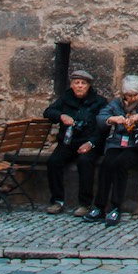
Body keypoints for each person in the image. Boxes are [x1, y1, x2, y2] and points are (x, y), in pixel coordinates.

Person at [83, 75, 138, 226]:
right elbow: (101, 117)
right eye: (129, 95)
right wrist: (112, 119)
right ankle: (99, 206)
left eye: (135, 95)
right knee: (107, 163)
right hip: (117, 143)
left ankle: (115, 206)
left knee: (120, 164)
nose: (133, 98)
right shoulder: (116, 104)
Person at [43, 69, 108, 216]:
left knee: (85, 162)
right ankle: (57, 200)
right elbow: (48, 112)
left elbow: (103, 128)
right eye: (76, 83)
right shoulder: (65, 99)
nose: (79, 86)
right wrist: (61, 116)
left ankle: (84, 203)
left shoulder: (100, 102)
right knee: (54, 161)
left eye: (83, 83)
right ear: (71, 85)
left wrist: (91, 143)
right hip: (68, 141)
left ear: (88, 86)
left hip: (89, 143)